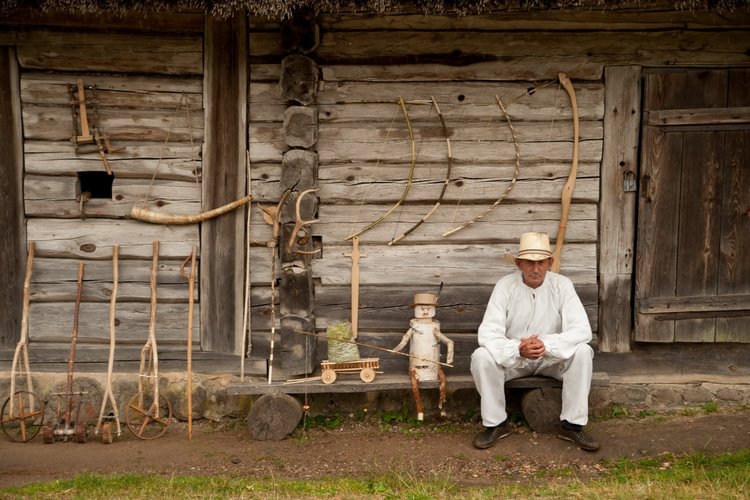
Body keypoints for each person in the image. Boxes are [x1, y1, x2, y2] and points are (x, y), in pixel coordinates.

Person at [470, 232, 599, 451]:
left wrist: (547, 345)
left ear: (550, 263)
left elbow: (581, 329)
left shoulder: (562, 285)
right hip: (515, 361)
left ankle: (572, 425)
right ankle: (496, 424)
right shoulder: (505, 286)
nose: (536, 269)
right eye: (530, 263)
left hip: (551, 359)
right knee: (481, 356)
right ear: (519, 263)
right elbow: (488, 333)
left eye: (541, 263)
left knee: (583, 352)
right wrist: (517, 349)